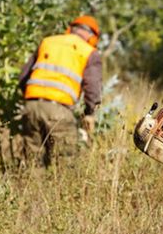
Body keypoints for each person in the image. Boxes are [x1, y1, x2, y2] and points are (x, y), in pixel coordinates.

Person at [18, 15, 103, 167]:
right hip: (59, 111)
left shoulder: (48, 41)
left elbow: (23, 77)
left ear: (71, 29)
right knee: (64, 164)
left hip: (31, 107)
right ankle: (54, 191)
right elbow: (93, 87)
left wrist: (32, 102)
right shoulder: (89, 52)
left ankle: (29, 190)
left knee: (32, 163)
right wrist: (90, 113)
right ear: (92, 37)